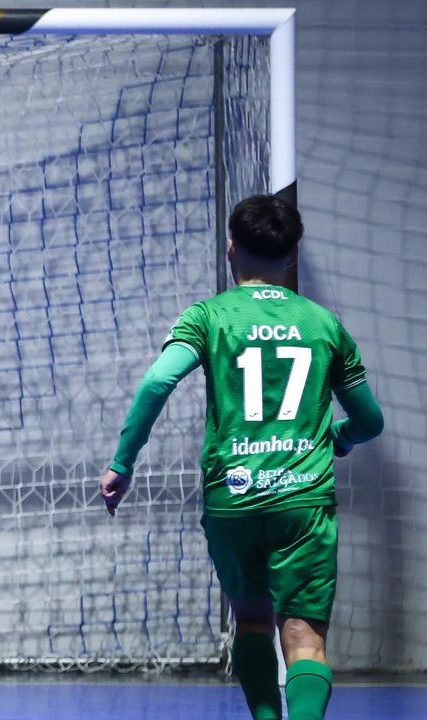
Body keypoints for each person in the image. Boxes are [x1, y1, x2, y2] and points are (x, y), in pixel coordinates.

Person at [98, 194, 384, 720]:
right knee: (303, 639)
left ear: (231, 249)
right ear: (293, 255)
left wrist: (123, 462)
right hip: (302, 501)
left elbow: (159, 380)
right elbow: (371, 423)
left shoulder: (209, 316)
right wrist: (338, 438)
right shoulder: (324, 325)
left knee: (251, 620)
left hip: (234, 500)